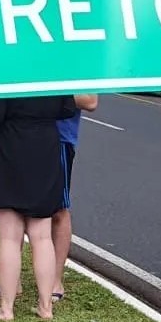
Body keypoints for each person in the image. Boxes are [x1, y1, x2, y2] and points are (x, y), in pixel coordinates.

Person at [0, 95, 79, 321]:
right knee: (42, 236)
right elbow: (67, 109)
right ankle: (45, 307)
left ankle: (7, 308)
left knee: (9, 237)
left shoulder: (6, 74)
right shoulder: (53, 74)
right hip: (46, 150)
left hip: (12, 148)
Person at [53, 94, 100, 298]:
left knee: (58, 209)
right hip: (17, 134)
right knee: (12, 209)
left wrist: (44, 85)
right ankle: (11, 282)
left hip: (58, 139)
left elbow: (90, 101)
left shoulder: (76, 63)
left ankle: (55, 282)